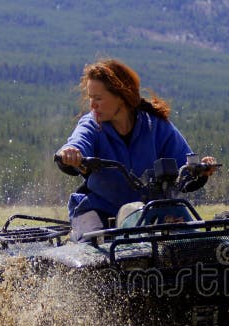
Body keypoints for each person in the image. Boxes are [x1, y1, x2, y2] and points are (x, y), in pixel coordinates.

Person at [55, 58, 215, 241]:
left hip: (149, 211)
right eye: (90, 98)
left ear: (121, 96)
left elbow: (184, 167)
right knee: (93, 250)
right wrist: (70, 152)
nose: (92, 105)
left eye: (98, 98)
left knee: (192, 243)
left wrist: (201, 171)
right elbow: (78, 142)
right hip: (98, 208)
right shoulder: (91, 125)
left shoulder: (156, 125)